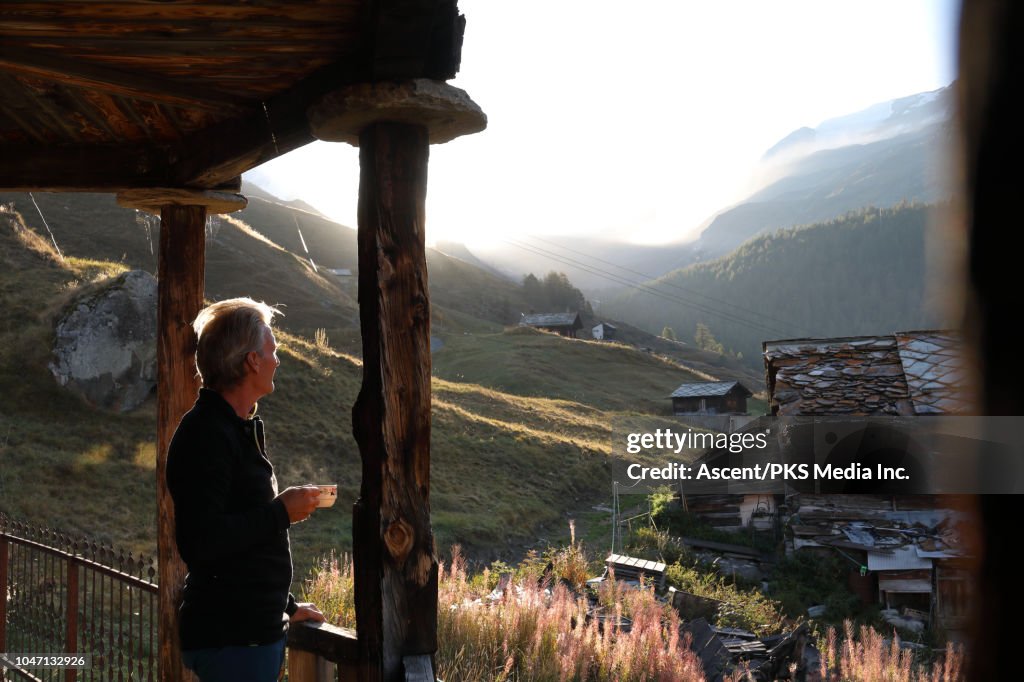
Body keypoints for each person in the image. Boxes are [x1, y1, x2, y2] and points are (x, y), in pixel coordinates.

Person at [166, 297, 326, 682]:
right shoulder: (208, 435)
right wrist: (281, 512)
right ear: (252, 360)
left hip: (246, 632)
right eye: (272, 350)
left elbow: (239, 542)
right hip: (233, 638)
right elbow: (202, 542)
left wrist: (283, 606)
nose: (277, 359)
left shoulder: (230, 429)